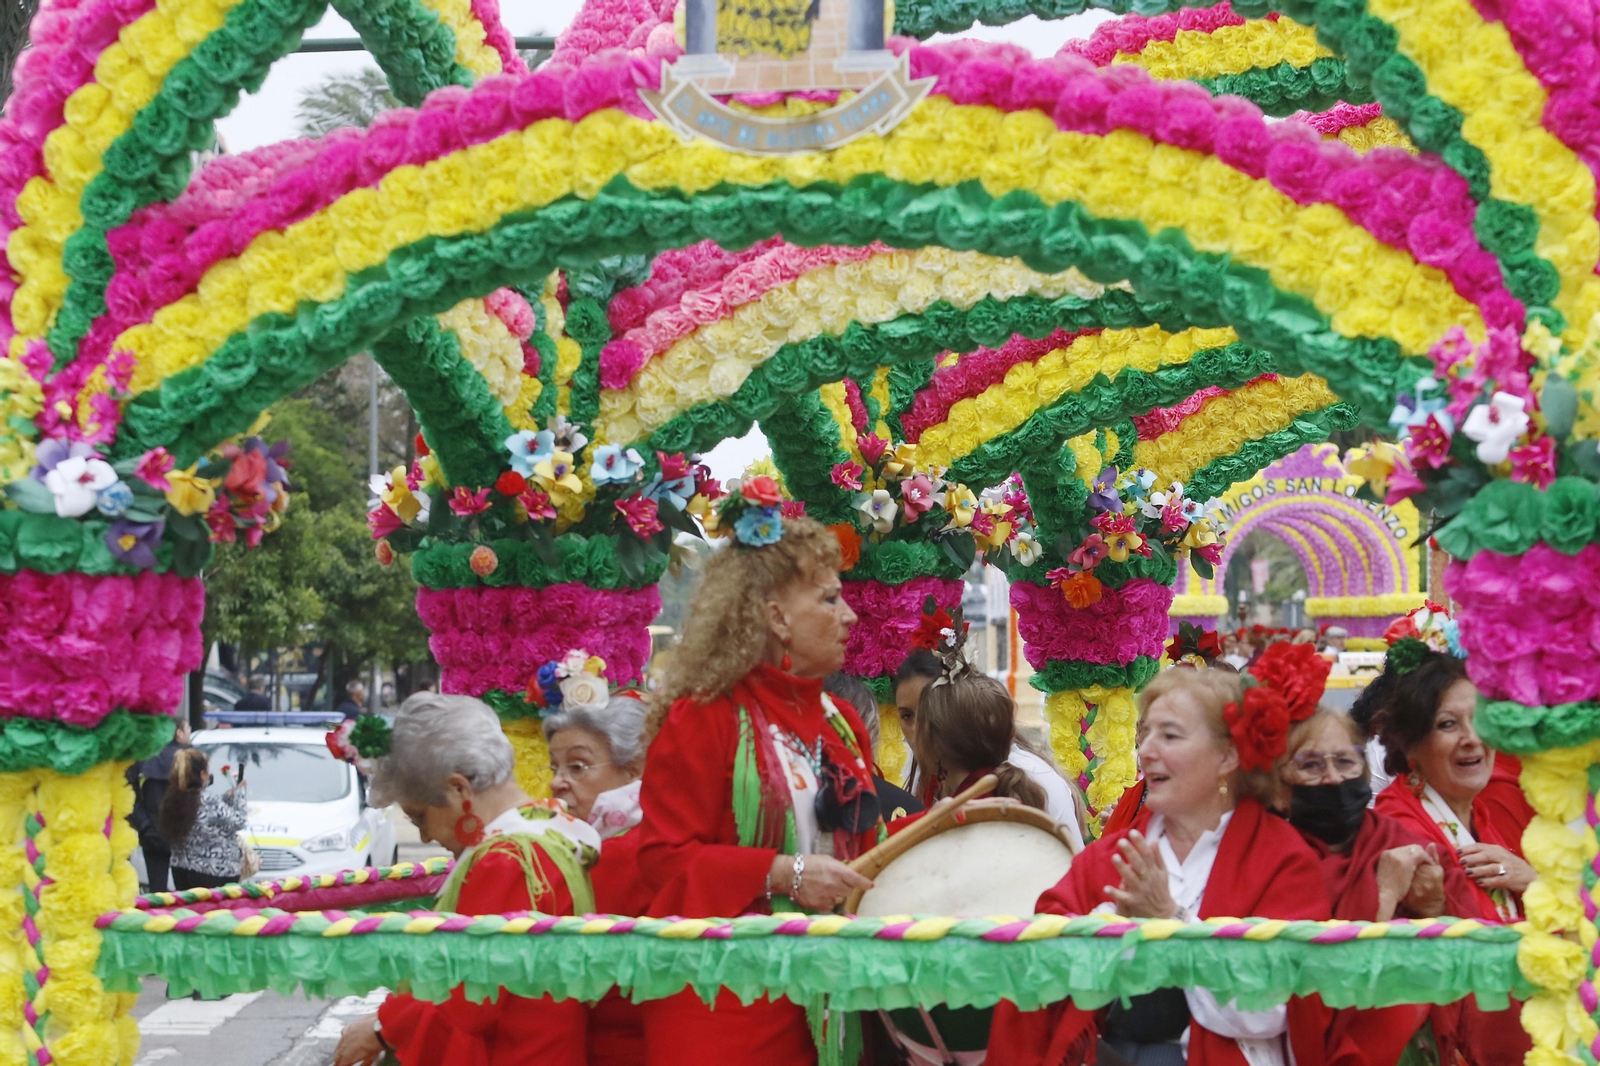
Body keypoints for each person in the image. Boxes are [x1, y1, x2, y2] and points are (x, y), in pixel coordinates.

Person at [988, 667, 1334, 1066]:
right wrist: (1107, 925)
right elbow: (1041, 964)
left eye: (1169, 735)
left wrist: (1171, 921)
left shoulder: (1282, 859)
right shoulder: (1110, 855)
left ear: (1228, 756)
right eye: (1145, 732)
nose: (1147, 750)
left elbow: (1270, 1007)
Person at [637, 511, 882, 1065]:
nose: (849, 616)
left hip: (826, 995)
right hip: (724, 1006)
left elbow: (865, 842)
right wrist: (784, 874)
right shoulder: (703, 717)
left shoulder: (841, 721)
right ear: (776, 617)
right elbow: (663, 861)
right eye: (828, 599)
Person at [334, 693, 601, 1066]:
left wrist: (383, 1028)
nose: (425, 837)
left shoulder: (505, 861)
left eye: (420, 817)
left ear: (460, 789)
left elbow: (468, 996)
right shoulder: (545, 828)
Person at [1279, 708, 1484, 1065]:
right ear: (1280, 781)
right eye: (1311, 766)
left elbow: (1472, 951)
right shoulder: (1275, 858)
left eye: (1346, 761)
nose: (1333, 778)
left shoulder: (1399, 841)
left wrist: (1435, 906)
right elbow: (1314, 982)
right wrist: (1385, 895)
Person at [544, 693, 651, 1066]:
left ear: (635, 767)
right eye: (554, 767)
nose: (558, 783)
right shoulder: (592, 845)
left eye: (577, 767)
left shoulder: (627, 855)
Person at [894, 648, 1082, 832]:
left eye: (927, 714)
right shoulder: (936, 780)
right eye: (906, 716)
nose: (917, 729)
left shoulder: (1031, 776)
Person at [824, 672, 923, 821]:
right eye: (906, 716)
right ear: (872, 731)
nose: (916, 727)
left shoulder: (791, 795)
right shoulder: (908, 811)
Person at [159, 747, 248, 890]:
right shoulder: (207, 800)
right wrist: (241, 793)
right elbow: (239, 821)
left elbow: (207, 819)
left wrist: (228, 797)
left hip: (181, 870)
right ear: (202, 775)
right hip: (213, 873)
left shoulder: (173, 799)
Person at [126, 716, 189, 892]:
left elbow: (130, 795)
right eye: (187, 729)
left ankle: (157, 918)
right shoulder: (189, 758)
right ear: (178, 733)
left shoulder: (143, 758)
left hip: (151, 833)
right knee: (187, 893)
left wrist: (145, 826)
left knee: (157, 889)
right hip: (183, 835)